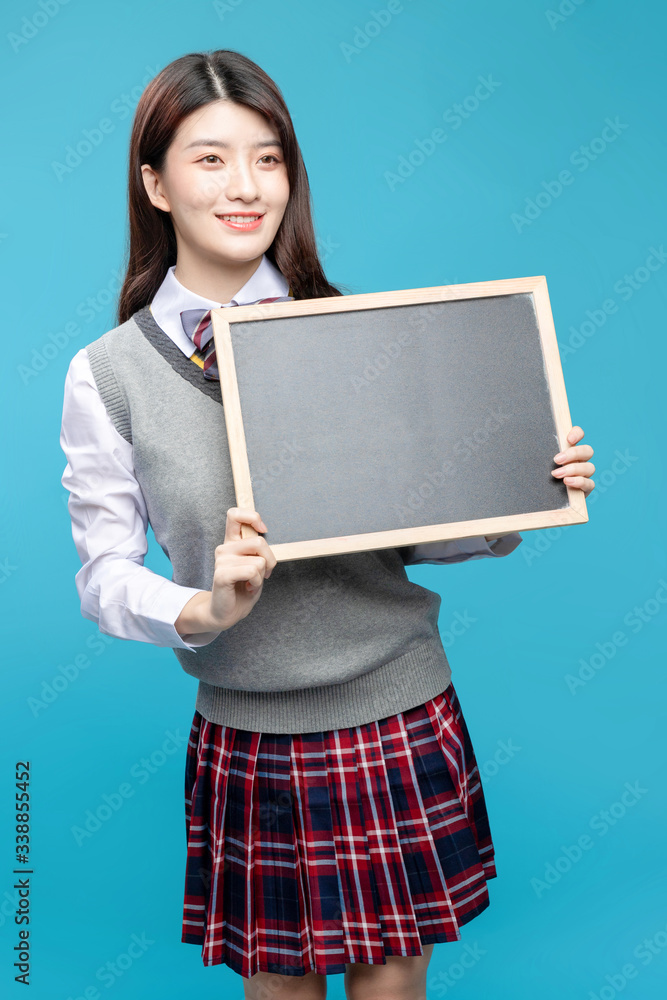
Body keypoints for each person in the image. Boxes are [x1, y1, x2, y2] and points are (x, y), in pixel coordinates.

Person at [59, 49, 596, 1000]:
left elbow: (412, 521)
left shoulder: (354, 326)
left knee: (394, 981)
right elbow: (102, 573)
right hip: (250, 725)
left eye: (268, 159)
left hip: (395, 700)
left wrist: (520, 492)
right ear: (154, 182)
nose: (245, 187)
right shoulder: (106, 375)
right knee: (280, 989)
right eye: (211, 159)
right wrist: (202, 606)